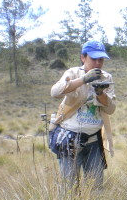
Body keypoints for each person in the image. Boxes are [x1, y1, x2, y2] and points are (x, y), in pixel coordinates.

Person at [50, 40, 116, 188]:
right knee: (69, 187)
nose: (98, 63)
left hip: (93, 140)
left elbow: (110, 109)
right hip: (70, 139)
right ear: (83, 58)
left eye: (101, 59)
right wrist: (84, 80)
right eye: (94, 59)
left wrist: (100, 93)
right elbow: (55, 92)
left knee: (96, 187)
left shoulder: (107, 78)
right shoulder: (73, 73)